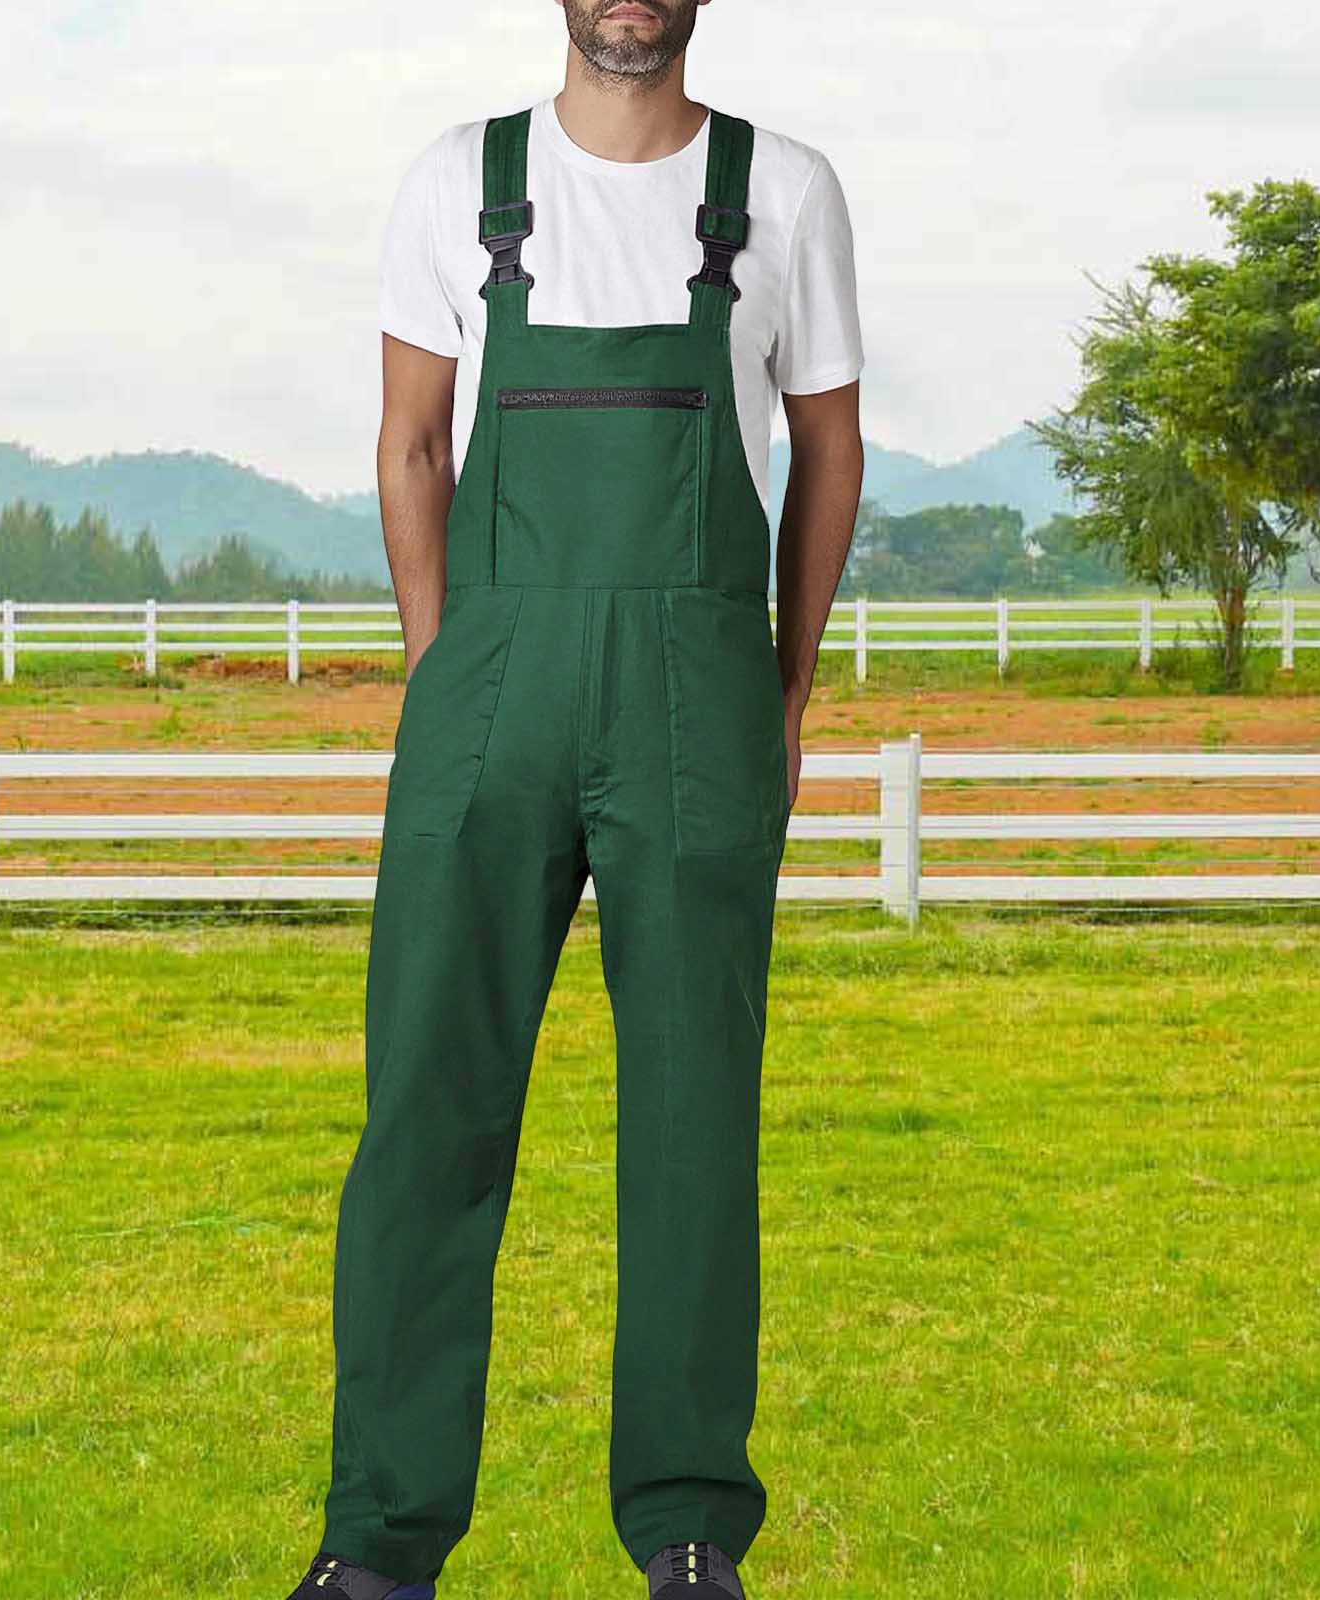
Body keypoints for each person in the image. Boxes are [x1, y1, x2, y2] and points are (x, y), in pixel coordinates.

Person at [283, 2, 863, 1595]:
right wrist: (442, 672)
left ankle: (687, 1526)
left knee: (693, 1119)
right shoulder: (459, 180)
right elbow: (411, 445)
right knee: (426, 1112)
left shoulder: (784, 190)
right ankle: (378, 1540)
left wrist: (785, 688)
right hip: (489, 689)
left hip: (698, 694)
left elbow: (828, 450)